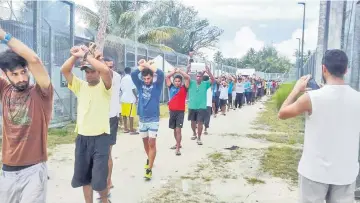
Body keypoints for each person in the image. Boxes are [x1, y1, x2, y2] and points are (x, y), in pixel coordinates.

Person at [278, 49, 360, 203]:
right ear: (346, 69)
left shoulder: (311, 98)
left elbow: (282, 113)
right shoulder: (357, 98)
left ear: (324, 69)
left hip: (314, 171)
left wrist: (296, 90)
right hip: (346, 172)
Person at [0, 28, 53, 203]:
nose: (21, 78)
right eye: (14, 74)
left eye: (23, 71)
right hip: (7, 170)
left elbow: (34, 59)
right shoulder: (5, 90)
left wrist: (4, 36)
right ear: (5, 75)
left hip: (34, 169)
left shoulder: (41, 92)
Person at [61, 45, 112, 203]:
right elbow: (65, 70)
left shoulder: (105, 87)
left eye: (92, 71)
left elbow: (105, 70)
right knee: (85, 177)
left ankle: (104, 200)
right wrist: (76, 56)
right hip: (83, 138)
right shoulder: (80, 86)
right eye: (87, 72)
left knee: (99, 177)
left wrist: (87, 56)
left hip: (101, 138)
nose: (89, 75)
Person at [131, 59, 164, 180]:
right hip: (142, 119)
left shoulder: (157, 85)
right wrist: (142, 66)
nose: (146, 81)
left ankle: (149, 169)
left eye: (148, 78)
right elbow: (134, 74)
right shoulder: (140, 85)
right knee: (145, 143)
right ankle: (149, 158)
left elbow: (161, 74)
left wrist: (148, 65)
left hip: (153, 119)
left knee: (152, 143)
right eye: (144, 79)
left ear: (152, 78)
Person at [103, 57, 121, 195]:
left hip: (111, 118)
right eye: (106, 66)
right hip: (98, 119)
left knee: (107, 153)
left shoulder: (116, 77)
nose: (109, 69)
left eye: (111, 66)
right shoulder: (97, 75)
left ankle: (108, 181)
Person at [165, 66, 190, 156]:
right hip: (172, 111)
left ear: (181, 82)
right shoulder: (171, 87)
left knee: (178, 130)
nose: (177, 83)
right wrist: (174, 71)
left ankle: (178, 148)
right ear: (174, 81)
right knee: (174, 130)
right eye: (175, 81)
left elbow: (188, 78)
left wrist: (180, 71)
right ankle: (177, 143)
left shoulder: (184, 88)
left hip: (180, 112)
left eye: (179, 81)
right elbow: (167, 77)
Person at [187, 65, 215, 145]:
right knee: (192, 122)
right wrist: (187, 70)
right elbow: (185, 78)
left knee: (200, 122)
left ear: (202, 77)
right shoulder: (192, 83)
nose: (198, 78)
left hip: (202, 106)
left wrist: (208, 71)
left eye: (200, 76)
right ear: (196, 77)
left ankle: (199, 137)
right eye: (197, 76)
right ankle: (194, 133)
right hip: (192, 106)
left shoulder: (205, 84)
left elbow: (213, 80)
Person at [120, 67, 138, 134]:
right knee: (131, 114)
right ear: (130, 71)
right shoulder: (131, 78)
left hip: (123, 98)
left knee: (124, 114)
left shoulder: (122, 79)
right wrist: (136, 97)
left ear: (124, 71)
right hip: (130, 98)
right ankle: (131, 129)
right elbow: (133, 89)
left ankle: (125, 128)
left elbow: (121, 89)